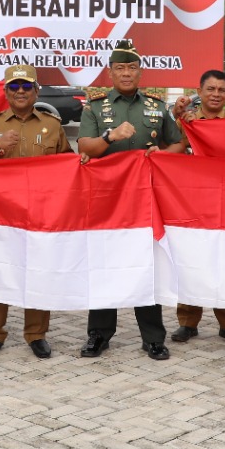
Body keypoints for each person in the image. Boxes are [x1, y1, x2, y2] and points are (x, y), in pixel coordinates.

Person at [76, 39, 186, 360]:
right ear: (110, 73)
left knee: (146, 266)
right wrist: (110, 136)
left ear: (140, 72)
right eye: (120, 68)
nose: (126, 73)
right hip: (106, 201)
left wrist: (161, 154)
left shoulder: (156, 107)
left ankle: (153, 338)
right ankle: (99, 335)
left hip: (145, 201)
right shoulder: (94, 108)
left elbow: (178, 144)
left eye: (132, 68)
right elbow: (84, 147)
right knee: (104, 265)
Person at [0, 63, 70, 359]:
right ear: (6, 91)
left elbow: (67, 163)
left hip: (40, 214)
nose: (20, 91)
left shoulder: (52, 125)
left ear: (36, 91)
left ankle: (36, 334)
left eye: (26, 86)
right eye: (14, 86)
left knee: (39, 272)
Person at [169, 68, 225, 344]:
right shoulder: (186, 122)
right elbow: (168, 140)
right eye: (210, 89)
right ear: (199, 92)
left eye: (221, 90)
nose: (216, 94)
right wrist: (177, 115)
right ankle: (187, 322)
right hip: (191, 200)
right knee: (190, 260)